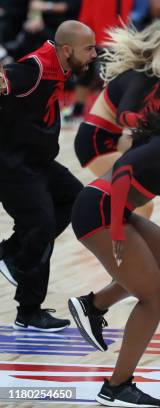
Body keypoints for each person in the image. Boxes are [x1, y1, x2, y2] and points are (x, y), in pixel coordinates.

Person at [68, 82, 160, 407]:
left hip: (113, 209)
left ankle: (94, 305)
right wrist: (119, 232)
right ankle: (117, 386)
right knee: (154, 297)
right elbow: (122, 170)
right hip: (99, 210)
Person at [0, 21, 96, 331]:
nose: (95, 54)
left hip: (38, 160)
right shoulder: (35, 68)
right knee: (40, 225)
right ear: (67, 50)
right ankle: (29, 311)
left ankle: (11, 254)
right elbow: (6, 80)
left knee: (75, 199)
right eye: (89, 48)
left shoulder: (62, 65)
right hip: (12, 164)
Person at [73, 22, 160, 218]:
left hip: (113, 139)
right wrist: (156, 127)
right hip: (95, 140)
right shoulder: (142, 76)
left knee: (141, 195)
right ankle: (118, 240)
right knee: (142, 202)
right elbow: (124, 115)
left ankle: (117, 236)